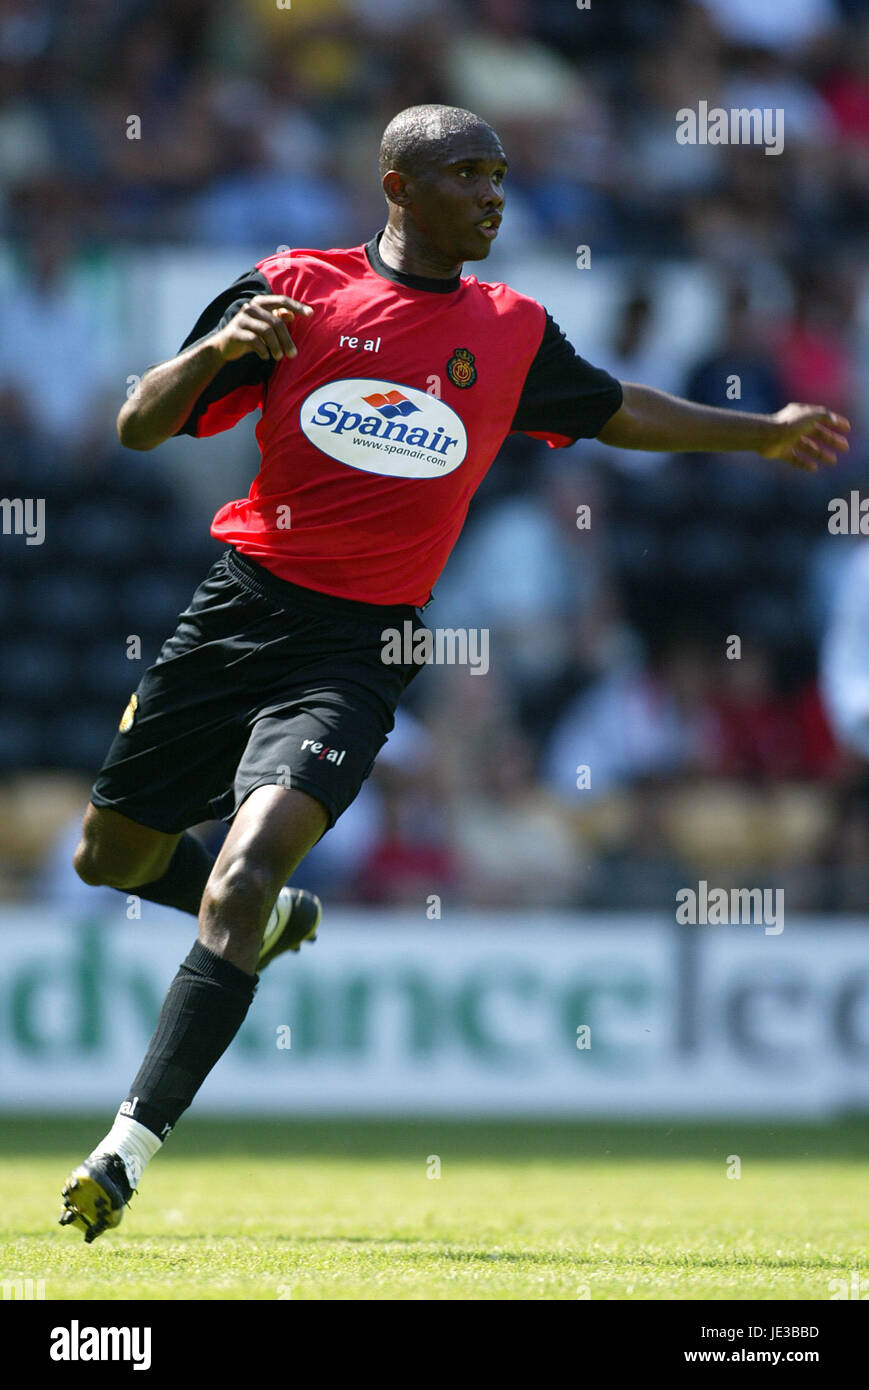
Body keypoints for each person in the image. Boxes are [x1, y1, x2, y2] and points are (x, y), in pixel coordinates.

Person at [59, 103, 850, 1242]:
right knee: (109, 854)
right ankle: (270, 921)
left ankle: (123, 1150)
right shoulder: (296, 287)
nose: (491, 194)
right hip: (236, 613)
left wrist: (758, 431)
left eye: (499, 174)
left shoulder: (510, 329)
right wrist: (221, 350)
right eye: (465, 174)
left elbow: (617, 408)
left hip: (359, 647)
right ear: (396, 186)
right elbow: (140, 425)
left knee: (237, 875)